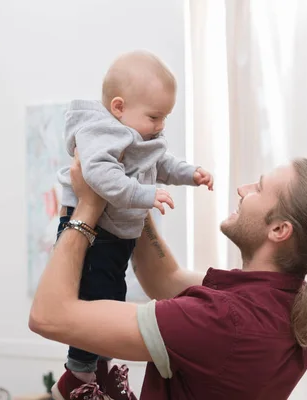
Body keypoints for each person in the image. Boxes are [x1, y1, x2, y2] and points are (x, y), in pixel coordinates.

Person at [30, 153, 307, 400]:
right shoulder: (290, 306)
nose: (242, 189)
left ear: (280, 229)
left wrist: (85, 208)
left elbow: (49, 316)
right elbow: (165, 278)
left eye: (258, 188)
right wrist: (131, 194)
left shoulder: (223, 320)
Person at [54, 50, 214, 394]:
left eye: (165, 118)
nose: (161, 127)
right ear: (118, 107)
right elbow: (99, 175)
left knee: (112, 298)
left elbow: (162, 163)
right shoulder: (102, 132)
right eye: (155, 117)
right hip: (95, 234)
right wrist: (144, 195)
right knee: (94, 298)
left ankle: (98, 365)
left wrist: (190, 174)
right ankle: (79, 374)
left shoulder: (139, 135)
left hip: (116, 235)